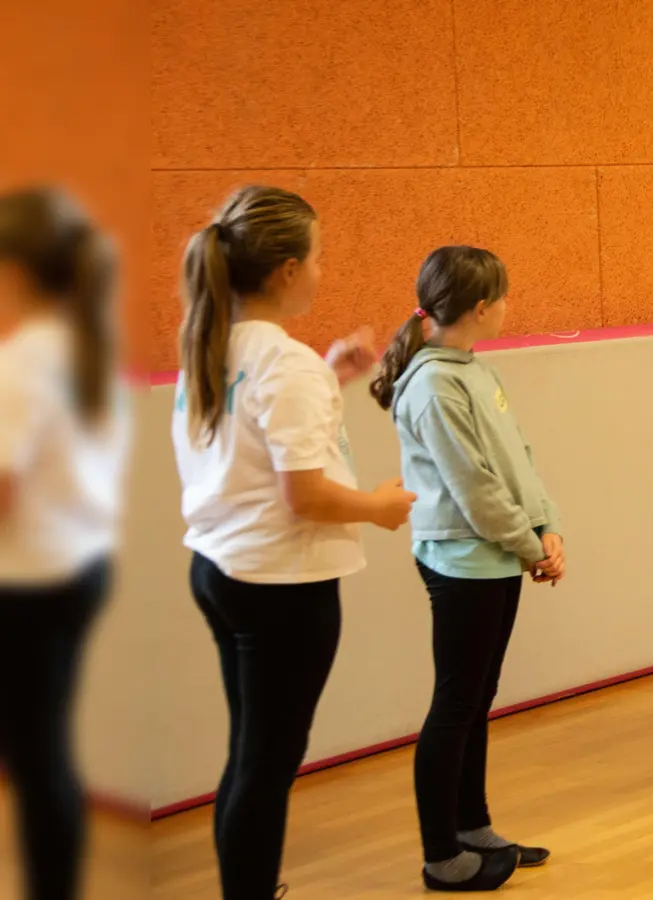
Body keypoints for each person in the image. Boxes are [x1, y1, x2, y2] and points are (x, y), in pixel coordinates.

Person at [172, 185, 415, 899]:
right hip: (279, 586)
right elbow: (302, 493)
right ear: (283, 270)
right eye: (317, 258)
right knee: (266, 761)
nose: (320, 271)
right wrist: (376, 506)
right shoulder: (284, 363)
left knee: (251, 753)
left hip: (222, 570)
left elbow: (254, 440)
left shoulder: (216, 347)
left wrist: (332, 376)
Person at [370, 246, 562, 892]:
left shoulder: (474, 371)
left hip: (499, 556)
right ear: (480, 309)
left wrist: (545, 526)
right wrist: (530, 547)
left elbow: (517, 460)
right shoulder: (431, 385)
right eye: (503, 297)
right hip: (462, 562)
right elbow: (474, 489)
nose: (509, 306)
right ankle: (440, 857)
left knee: (477, 698)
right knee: (455, 703)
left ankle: (472, 826)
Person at [0, 187, 127, 900]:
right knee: (43, 750)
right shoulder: (84, 349)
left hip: (28, 581)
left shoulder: (22, 364)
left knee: (38, 754)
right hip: (73, 568)